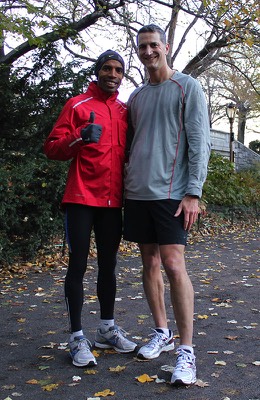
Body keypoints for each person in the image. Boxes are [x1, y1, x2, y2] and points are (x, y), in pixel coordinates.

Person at [123, 25, 211, 385]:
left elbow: (199, 140)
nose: (147, 52)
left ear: (166, 46)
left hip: (172, 193)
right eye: (142, 46)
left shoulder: (187, 86)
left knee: (174, 265)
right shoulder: (137, 96)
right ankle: (161, 332)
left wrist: (193, 192)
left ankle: (186, 353)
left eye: (153, 45)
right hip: (138, 194)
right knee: (149, 263)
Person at [44, 50, 137, 368]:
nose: (113, 74)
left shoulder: (125, 111)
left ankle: (107, 330)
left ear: (123, 76)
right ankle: (76, 338)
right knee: (78, 266)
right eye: (107, 68)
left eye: (119, 70)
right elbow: (52, 149)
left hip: (113, 202)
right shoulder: (77, 105)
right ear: (98, 72)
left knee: (109, 266)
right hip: (81, 199)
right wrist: (79, 137)